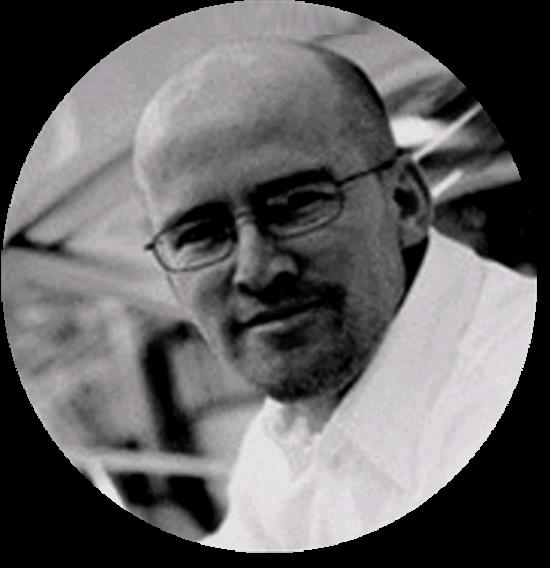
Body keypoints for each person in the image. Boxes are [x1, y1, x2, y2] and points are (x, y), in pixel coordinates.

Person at [133, 38, 536, 551]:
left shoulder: (497, 385)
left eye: (296, 204)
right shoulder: (287, 433)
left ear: (406, 203)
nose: (256, 271)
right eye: (200, 235)